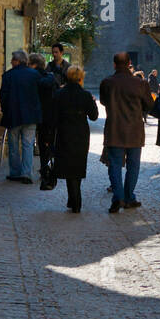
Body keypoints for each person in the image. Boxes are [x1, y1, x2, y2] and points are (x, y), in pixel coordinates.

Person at [99, 51, 158, 212]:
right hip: (134, 130)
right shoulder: (140, 84)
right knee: (133, 165)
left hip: (114, 129)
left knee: (115, 165)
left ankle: (118, 197)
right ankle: (129, 196)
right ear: (129, 63)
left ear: (114, 64)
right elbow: (149, 106)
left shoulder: (107, 83)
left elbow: (104, 101)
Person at [54, 65, 99, 213]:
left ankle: (73, 199)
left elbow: (53, 116)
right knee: (78, 165)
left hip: (64, 132)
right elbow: (94, 116)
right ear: (81, 78)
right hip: (80, 134)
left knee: (68, 165)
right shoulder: (85, 95)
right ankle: (75, 200)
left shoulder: (60, 94)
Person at [0, 49, 42, 183]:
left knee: (13, 145)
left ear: (17, 61)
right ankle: (26, 173)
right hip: (31, 115)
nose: (11, 62)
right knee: (28, 145)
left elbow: (3, 97)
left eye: (12, 60)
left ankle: (15, 172)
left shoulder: (8, 76)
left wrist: (5, 111)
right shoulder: (35, 74)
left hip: (13, 115)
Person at [29, 52, 58, 187]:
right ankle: (47, 168)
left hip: (37, 115)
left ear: (33, 64)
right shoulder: (50, 77)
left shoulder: (33, 78)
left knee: (39, 143)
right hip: (49, 116)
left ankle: (44, 169)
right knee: (47, 143)